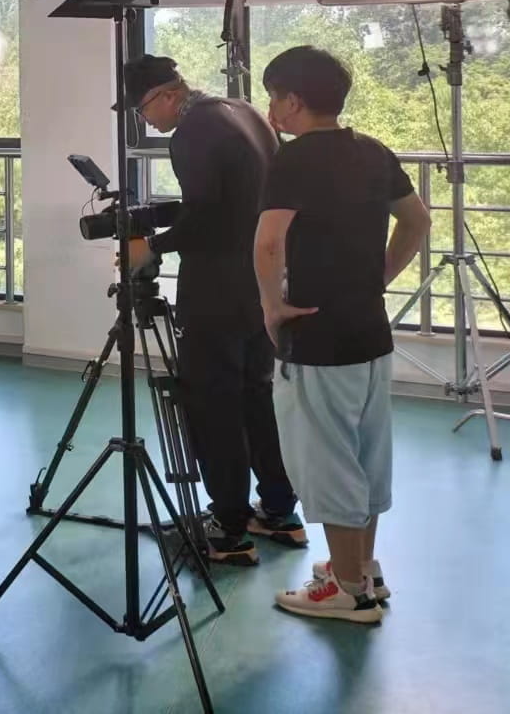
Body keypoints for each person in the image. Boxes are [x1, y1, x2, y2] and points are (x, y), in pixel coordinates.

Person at [254, 45, 429, 624]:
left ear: (293, 101)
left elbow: (269, 242)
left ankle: (348, 591)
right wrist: (378, 277)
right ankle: (362, 570)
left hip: (318, 336)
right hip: (369, 332)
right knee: (366, 455)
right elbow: (417, 220)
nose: (271, 109)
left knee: (327, 462)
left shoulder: (293, 160)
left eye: (273, 97)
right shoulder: (372, 151)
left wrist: (271, 307)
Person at [119, 54, 302, 566]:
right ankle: (280, 511)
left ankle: (228, 528)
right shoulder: (244, 111)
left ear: (168, 94)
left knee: (214, 404)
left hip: (216, 290)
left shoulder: (192, 132)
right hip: (261, 280)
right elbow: (239, 200)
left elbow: (207, 217)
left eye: (142, 109)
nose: (145, 120)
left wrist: (151, 247)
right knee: (256, 395)